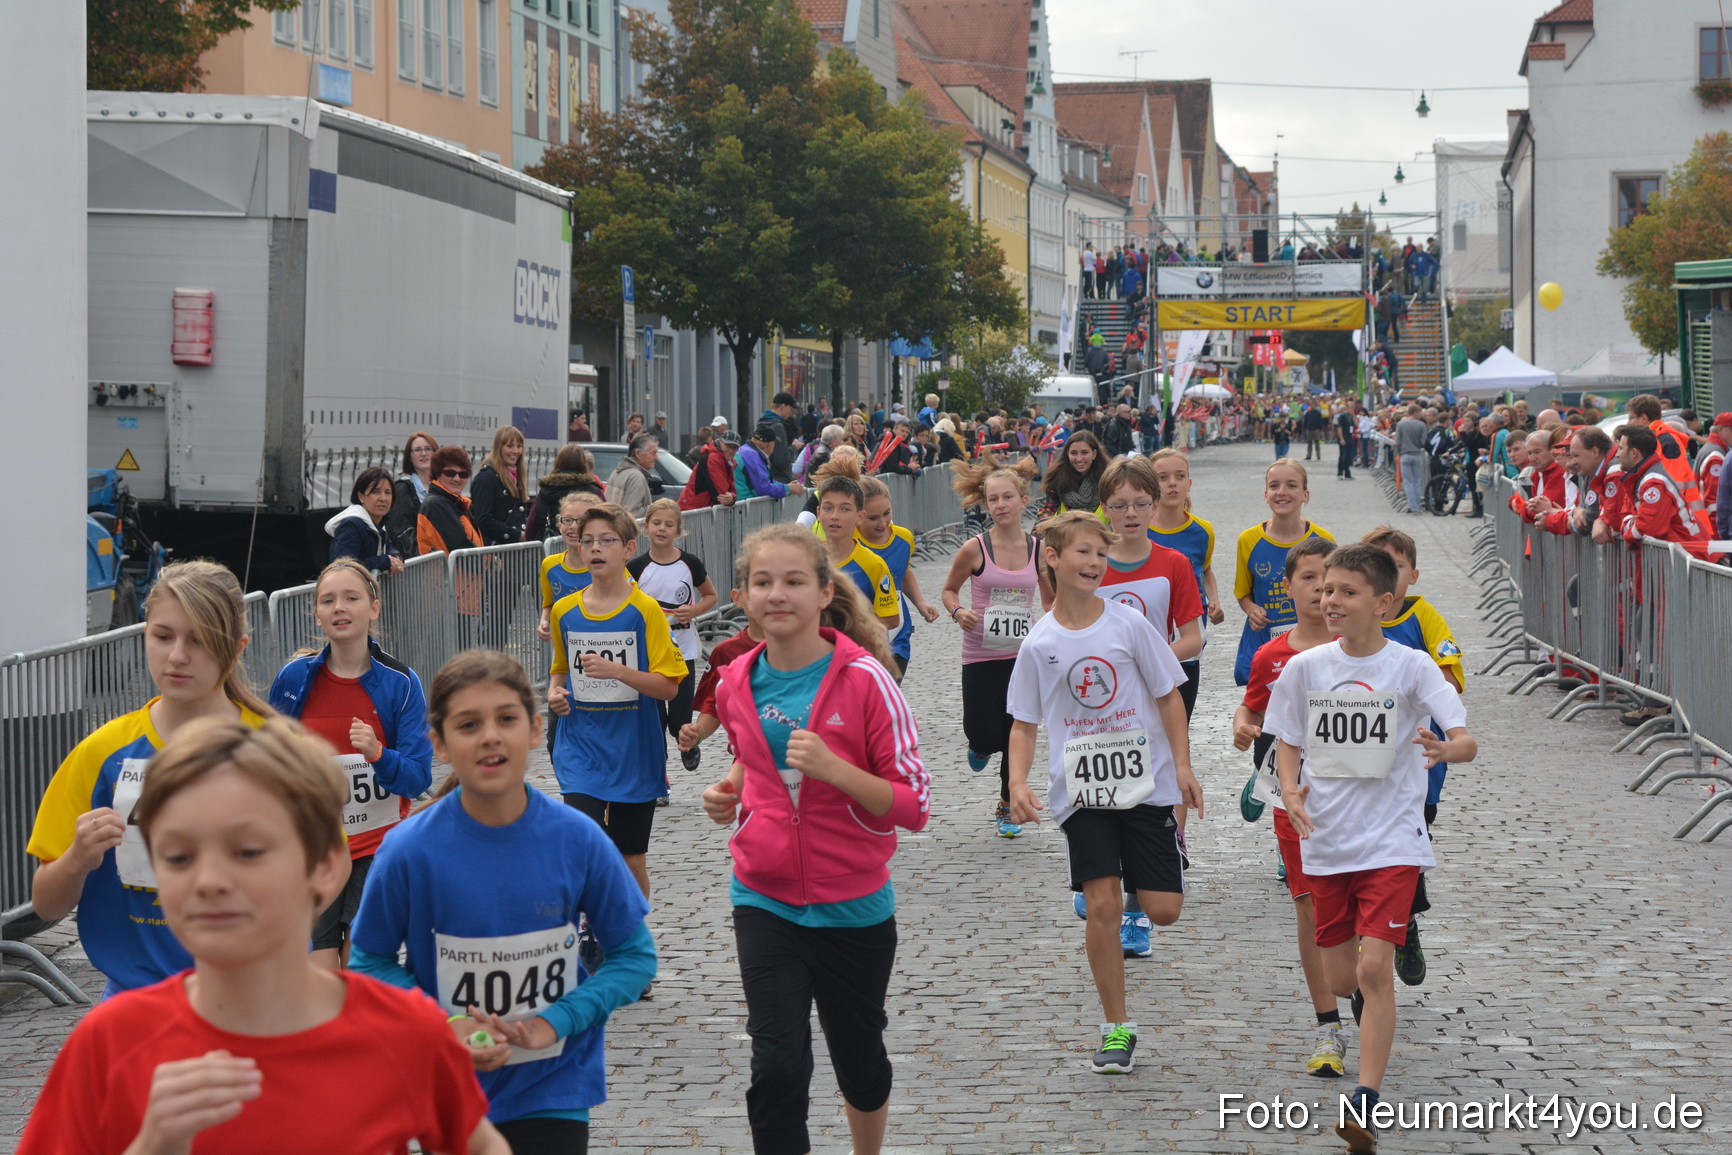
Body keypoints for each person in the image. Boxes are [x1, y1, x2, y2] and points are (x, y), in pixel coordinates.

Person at [18, 716, 505, 1155]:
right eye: (179, 856)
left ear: (323, 867)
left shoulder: (402, 1029)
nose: (208, 880)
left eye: (248, 851)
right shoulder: (111, 1042)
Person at [352, 651, 655, 1153]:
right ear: (440, 744)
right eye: (468, 724)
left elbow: (634, 957)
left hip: (553, 1087)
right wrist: (447, 1025)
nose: (490, 735)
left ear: (536, 731)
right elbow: (370, 962)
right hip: (452, 1090)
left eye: (507, 719)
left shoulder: (578, 840)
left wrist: (553, 1022)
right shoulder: (409, 850)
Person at [701, 524, 930, 1155]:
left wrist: (837, 770)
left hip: (853, 903)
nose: (778, 594)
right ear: (743, 597)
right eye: (762, 582)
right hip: (763, 894)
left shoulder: (865, 681)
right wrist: (728, 791)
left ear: (825, 591)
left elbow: (913, 805)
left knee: (859, 1058)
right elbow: (752, 757)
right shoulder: (735, 681)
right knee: (777, 1067)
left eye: (794, 581)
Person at [1267, 545, 1476, 1152]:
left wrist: (1447, 748)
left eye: (1346, 593)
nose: (1330, 601)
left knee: (1372, 968)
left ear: (1383, 603)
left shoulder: (1411, 667)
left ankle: (1364, 1099)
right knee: (1340, 976)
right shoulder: (1306, 668)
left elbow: (1463, 737)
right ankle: (1381, 946)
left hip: (1392, 840)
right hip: (1328, 840)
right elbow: (1287, 739)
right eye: (1327, 590)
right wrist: (1289, 790)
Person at [1006, 512, 1202, 1074]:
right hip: (1082, 792)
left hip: (1147, 784)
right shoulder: (1038, 644)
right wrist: (1018, 781)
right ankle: (1116, 1027)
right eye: (1084, 553)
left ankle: (1160, 871)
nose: (1095, 564)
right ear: (1052, 558)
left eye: (1101, 554)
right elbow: (1023, 722)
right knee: (1103, 905)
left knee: (1163, 911)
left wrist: (1184, 767)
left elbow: (1169, 696)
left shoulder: (1128, 626)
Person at [27, 561, 276, 996]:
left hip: (254, 999)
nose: (177, 656)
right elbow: (46, 903)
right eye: (163, 636)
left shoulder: (278, 750)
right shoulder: (102, 753)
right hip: (134, 1003)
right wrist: (78, 859)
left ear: (237, 648)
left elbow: (329, 873)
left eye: (198, 640)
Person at [267, 560, 433, 968]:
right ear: (317, 613)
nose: (339, 607)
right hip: (315, 848)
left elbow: (418, 778)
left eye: (351, 598)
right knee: (320, 978)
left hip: (377, 848)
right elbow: (265, 762)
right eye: (328, 600)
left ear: (373, 608)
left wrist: (378, 754)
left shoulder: (401, 682)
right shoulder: (293, 679)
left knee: (360, 969)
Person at [1231, 536, 1347, 1077]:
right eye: (1309, 579)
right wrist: (1242, 725)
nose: (1321, 590)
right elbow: (1251, 707)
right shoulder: (1272, 655)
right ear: (1289, 586)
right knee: (1308, 907)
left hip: (1358, 805)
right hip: (1293, 800)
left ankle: (1362, 980)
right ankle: (1328, 1023)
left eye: (1332, 580)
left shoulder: (1367, 648)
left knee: (1356, 908)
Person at [1093, 457, 1206, 954]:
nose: (1131, 514)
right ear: (1105, 510)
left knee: (1147, 795)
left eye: (1141, 503)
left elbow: (1194, 638)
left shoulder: (1174, 564)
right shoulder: (1089, 565)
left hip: (1158, 698)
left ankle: (1137, 910)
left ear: (1155, 505)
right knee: (1104, 793)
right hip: (1099, 703)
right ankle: (1098, 883)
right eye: (1119, 505)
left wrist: (1145, 660)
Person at [548, 504, 688, 900]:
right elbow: (560, 668)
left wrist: (618, 672)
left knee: (629, 861)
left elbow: (668, 688)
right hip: (581, 748)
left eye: (606, 541)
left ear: (628, 549)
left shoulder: (645, 611)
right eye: (587, 540)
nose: (595, 549)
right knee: (584, 850)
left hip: (633, 750)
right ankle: (591, 929)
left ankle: (630, 938)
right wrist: (556, 693)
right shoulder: (565, 611)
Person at [1362, 526, 1466, 990]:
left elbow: (1451, 677)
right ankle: (1373, 943)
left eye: (1397, 566)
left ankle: (1404, 925)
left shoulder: (1424, 617)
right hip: (1356, 769)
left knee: (1406, 847)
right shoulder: (1349, 619)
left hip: (1417, 764)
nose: (1387, 575)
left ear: (1413, 575)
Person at [941, 456, 1051, 838]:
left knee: (1015, 732)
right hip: (980, 653)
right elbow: (949, 590)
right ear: (985, 504)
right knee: (984, 734)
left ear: (1023, 500)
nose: (1001, 505)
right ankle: (979, 745)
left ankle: (1006, 804)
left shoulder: (1038, 549)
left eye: (1008, 497)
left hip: (1023, 654)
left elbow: (1050, 602)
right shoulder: (975, 549)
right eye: (993, 499)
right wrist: (958, 612)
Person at [627, 499, 719, 774]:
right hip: (650, 651)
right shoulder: (635, 566)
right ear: (646, 528)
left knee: (678, 720)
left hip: (684, 648)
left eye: (669, 524)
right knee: (655, 720)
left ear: (679, 530)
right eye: (656, 523)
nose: (662, 529)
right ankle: (659, 776)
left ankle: (688, 744)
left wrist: (693, 611)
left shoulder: (690, 563)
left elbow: (711, 595)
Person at [1233, 459, 1334, 686]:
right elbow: (1243, 593)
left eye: (1291, 485)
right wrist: (1252, 609)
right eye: (1274, 486)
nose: (1282, 492)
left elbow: (1333, 591)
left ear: (1305, 494)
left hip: (1314, 641)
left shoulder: (1324, 540)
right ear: (1266, 494)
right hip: (1266, 641)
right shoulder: (1248, 540)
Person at [857, 472, 940, 677]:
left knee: (889, 694)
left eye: (887, 513)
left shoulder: (903, 538)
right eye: (873, 518)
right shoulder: (848, 540)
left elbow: (902, 572)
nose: (882, 523)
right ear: (859, 514)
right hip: (858, 633)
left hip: (896, 632)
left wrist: (920, 603)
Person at [813, 462, 903, 638]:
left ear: (860, 516)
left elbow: (891, 618)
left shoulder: (873, 565)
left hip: (856, 656)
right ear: (818, 513)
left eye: (845, 509)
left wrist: (847, 625)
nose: (834, 516)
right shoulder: (806, 560)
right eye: (828, 508)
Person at [326, 466, 404, 574]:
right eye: (375, 492)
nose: (383, 498)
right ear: (361, 496)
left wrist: (395, 556)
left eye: (387, 492)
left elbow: (388, 546)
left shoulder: (378, 523)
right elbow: (343, 567)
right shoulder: (351, 526)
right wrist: (385, 561)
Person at [524, 443, 608, 542]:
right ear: (583, 463)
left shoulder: (545, 492)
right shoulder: (594, 492)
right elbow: (607, 522)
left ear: (558, 463)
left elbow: (530, 530)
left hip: (548, 552)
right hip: (585, 551)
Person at [417, 447, 485, 556]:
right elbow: (460, 547)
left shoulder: (458, 504)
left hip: (467, 572)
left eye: (463, 474)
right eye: (450, 473)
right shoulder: (436, 504)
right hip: (447, 573)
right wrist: (489, 564)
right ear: (437, 473)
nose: (457, 479)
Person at [469, 425, 530, 546]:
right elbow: (484, 520)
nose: (515, 451)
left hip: (515, 550)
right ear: (499, 448)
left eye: (519, 446)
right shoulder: (485, 478)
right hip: (496, 551)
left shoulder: (516, 476)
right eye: (509, 446)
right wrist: (517, 535)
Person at [386, 430, 438, 557]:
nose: (423, 453)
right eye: (417, 450)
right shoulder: (402, 489)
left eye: (428, 449)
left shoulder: (442, 487)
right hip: (417, 564)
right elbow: (399, 532)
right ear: (409, 456)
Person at [1038, 431, 1107, 518]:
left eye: (1084, 452)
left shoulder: (1108, 480)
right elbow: (1048, 509)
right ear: (1067, 454)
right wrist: (1039, 529)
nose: (1079, 459)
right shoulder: (1057, 479)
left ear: (1094, 453)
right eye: (1073, 453)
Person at [737, 423, 805, 502]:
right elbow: (763, 488)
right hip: (744, 508)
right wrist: (788, 488)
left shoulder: (746, 451)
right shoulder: (752, 456)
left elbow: (765, 481)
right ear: (770, 445)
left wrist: (786, 486)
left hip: (740, 506)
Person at [608, 432, 663, 522]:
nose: (656, 457)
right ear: (638, 453)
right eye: (653, 453)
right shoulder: (636, 477)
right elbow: (632, 514)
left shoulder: (617, 471)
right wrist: (654, 509)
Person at [680, 429, 741, 510]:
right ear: (720, 442)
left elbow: (729, 492)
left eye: (735, 448)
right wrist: (732, 498)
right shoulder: (714, 458)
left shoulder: (726, 461)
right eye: (728, 445)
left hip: (699, 509)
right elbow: (722, 495)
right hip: (694, 509)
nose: (731, 450)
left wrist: (732, 497)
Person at [759, 391, 801, 483]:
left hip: (766, 477)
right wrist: (793, 447)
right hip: (779, 481)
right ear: (783, 406)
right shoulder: (778, 427)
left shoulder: (762, 423)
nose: (790, 413)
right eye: (790, 408)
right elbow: (781, 461)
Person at [1394, 404, 1428, 514]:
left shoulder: (1401, 424)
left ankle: (1412, 506)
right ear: (1415, 413)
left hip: (1405, 454)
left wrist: (1399, 451)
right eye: (1420, 412)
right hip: (1417, 454)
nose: (1421, 414)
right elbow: (1423, 442)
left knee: (1408, 482)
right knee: (1417, 481)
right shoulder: (1421, 425)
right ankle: (1416, 506)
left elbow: (1398, 441)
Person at [1334, 404, 1356, 481]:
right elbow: (1339, 428)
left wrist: (1354, 416)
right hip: (1344, 438)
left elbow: (1356, 424)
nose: (1352, 410)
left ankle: (1347, 474)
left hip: (1350, 438)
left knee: (1348, 457)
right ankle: (1340, 473)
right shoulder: (1342, 417)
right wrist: (1341, 438)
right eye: (1351, 409)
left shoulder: (1351, 417)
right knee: (1342, 456)